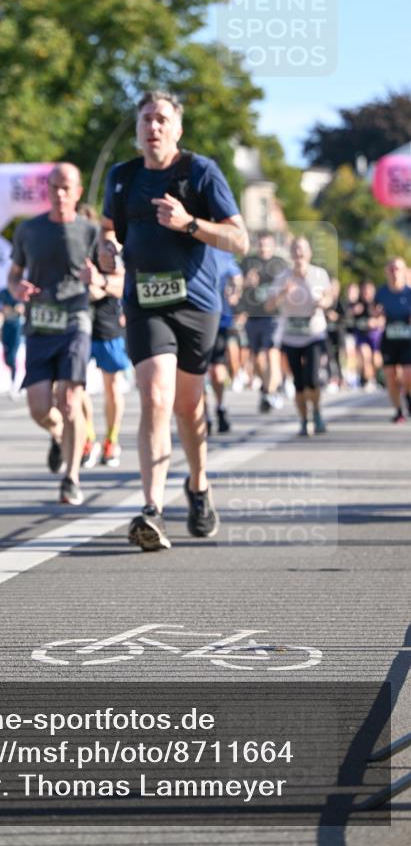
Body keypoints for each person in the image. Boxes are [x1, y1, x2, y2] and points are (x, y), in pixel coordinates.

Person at [99, 90, 248, 551]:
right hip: (144, 301)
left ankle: (199, 485)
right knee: (155, 396)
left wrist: (189, 224)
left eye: (162, 119)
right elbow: (108, 229)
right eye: (146, 119)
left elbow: (239, 240)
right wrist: (106, 247)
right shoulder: (122, 176)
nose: (154, 127)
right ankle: (151, 509)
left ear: (177, 129)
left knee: (189, 407)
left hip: (198, 304)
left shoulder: (200, 172)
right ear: (139, 128)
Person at [7, 163, 100, 506]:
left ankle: (71, 478)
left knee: (71, 401)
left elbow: (109, 281)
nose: (60, 194)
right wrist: (19, 288)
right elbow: (14, 276)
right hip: (40, 323)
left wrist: (98, 281)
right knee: (40, 408)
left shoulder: (90, 232)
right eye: (54, 187)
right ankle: (60, 436)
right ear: (47, 191)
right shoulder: (29, 230)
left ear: (77, 192)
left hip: (76, 319)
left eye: (67, 188)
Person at [266, 236, 332, 436]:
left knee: (311, 378)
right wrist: (283, 293)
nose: (298, 253)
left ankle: (317, 412)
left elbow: (329, 297)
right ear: (291, 253)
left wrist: (323, 302)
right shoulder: (282, 277)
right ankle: (304, 419)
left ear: (309, 252)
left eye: (302, 249)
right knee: (298, 382)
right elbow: (268, 306)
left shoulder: (319, 274)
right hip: (291, 335)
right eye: (295, 249)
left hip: (314, 333)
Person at [78, 204, 128, 469]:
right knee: (76, 386)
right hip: (79, 325)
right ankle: (88, 438)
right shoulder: (70, 249)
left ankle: (112, 440)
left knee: (112, 386)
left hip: (107, 325)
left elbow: (123, 284)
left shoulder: (107, 248)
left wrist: (100, 284)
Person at [240, 232, 287, 412]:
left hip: (274, 317)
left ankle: (270, 392)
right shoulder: (248, 263)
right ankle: (268, 388)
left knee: (272, 354)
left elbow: (288, 287)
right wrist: (246, 282)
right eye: (261, 245)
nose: (263, 248)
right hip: (253, 316)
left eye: (267, 245)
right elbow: (236, 286)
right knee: (257, 359)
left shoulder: (280, 265)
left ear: (273, 246)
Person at [207, 248, 243, 434]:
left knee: (216, 369)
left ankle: (220, 408)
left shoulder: (221, 250)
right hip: (191, 318)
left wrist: (235, 293)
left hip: (220, 319)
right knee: (195, 372)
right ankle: (203, 413)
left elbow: (237, 276)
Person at [374, 257, 411, 423]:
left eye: (397, 269)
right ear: (386, 272)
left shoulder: (409, 293)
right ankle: (398, 411)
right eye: (391, 269)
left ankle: (409, 399)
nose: (394, 272)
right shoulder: (381, 292)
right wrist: (377, 316)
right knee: (390, 375)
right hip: (389, 338)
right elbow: (374, 312)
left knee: (408, 375)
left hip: (408, 339)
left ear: (404, 271)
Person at [352, 279, 383, 391]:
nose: (366, 292)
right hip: (362, 336)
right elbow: (347, 316)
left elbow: (384, 319)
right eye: (364, 289)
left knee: (376, 361)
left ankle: (376, 378)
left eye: (369, 289)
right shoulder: (357, 304)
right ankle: (368, 381)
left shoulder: (377, 304)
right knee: (365, 357)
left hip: (375, 336)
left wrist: (375, 322)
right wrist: (352, 311)